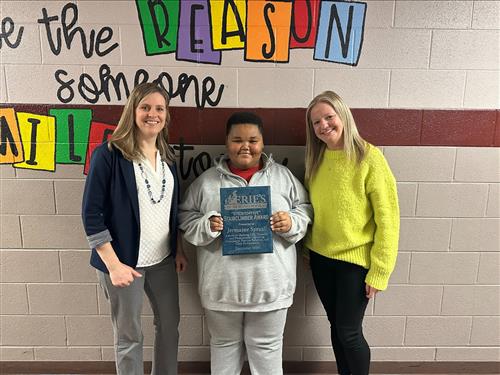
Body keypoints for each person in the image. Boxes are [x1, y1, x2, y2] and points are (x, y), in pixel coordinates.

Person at [178, 112, 312, 375]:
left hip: (270, 288)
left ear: (263, 143)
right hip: (222, 290)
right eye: (237, 140)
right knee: (224, 348)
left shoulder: (283, 178)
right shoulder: (206, 182)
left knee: (268, 350)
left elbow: (305, 210)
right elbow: (185, 217)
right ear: (226, 142)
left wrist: (291, 222)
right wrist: (207, 225)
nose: (245, 146)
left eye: (253, 140)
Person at [81, 82, 188, 375]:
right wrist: (113, 265)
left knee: (169, 327)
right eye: (145, 107)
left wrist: (178, 250)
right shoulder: (109, 155)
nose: (152, 114)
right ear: (133, 111)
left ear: (166, 116)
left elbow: (171, 211)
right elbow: (91, 215)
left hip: (163, 261)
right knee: (130, 336)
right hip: (123, 263)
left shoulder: (168, 158)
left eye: (159, 109)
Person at [304, 91, 400, 375]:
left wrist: (380, 270)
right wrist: (308, 247)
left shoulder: (369, 158)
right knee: (337, 327)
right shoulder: (316, 160)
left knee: (349, 332)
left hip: (355, 262)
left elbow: (389, 219)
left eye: (329, 117)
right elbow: (317, 210)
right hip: (321, 259)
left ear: (343, 116)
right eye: (316, 122)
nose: (323, 125)